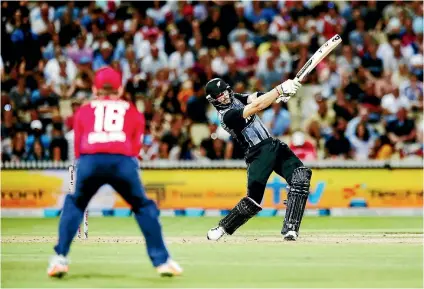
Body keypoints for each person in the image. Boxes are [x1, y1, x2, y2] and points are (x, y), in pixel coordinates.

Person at [47, 67, 182, 278]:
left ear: (94, 89)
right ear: (119, 90)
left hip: (90, 159)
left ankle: (60, 258)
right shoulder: (131, 110)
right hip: (121, 160)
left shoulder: (83, 110)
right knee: (143, 206)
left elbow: (79, 145)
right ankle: (162, 261)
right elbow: (136, 147)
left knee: (76, 204)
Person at [204, 77, 311, 241]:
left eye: (224, 92)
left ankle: (291, 229)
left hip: (272, 145)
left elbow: (254, 97)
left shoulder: (234, 98)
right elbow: (257, 105)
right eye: (219, 96)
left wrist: (279, 97)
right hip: (257, 154)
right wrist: (279, 89)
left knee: (301, 177)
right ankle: (222, 228)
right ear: (213, 100)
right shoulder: (227, 116)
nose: (224, 97)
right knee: (252, 202)